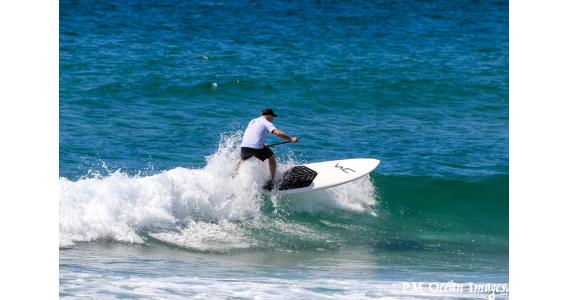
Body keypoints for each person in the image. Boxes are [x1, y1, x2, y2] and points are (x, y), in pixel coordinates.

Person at [234, 108, 299, 190]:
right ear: (268, 115)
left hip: (244, 147)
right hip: (255, 148)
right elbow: (277, 132)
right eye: (273, 117)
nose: (273, 119)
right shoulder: (265, 122)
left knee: (243, 158)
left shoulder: (253, 121)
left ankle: (234, 174)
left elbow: (252, 135)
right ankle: (273, 181)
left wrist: (263, 144)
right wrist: (291, 139)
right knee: (271, 157)